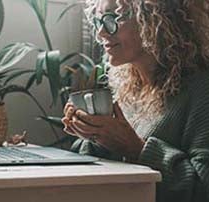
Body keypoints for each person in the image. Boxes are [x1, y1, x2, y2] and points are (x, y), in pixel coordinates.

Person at [62, 0, 209, 201]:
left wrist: (136, 148)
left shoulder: (202, 90)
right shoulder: (128, 85)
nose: (101, 33)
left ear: (153, 19)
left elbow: (203, 189)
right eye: (98, 21)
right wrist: (92, 135)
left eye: (113, 18)